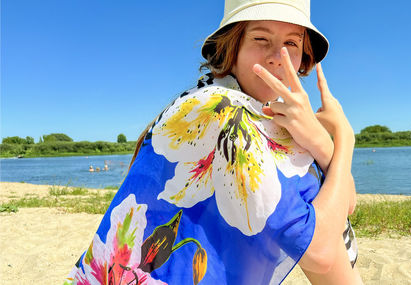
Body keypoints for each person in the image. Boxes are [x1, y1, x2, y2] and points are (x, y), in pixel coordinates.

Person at [66, 1, 361, 284]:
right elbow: (322, 251)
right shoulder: (224, 112)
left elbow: (344, 204)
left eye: (292, 43)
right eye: (261, 38)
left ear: (303, 58)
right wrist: (344, 137)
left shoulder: (266, 119)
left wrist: (321, 140)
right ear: (232, 46)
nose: (277, 56)